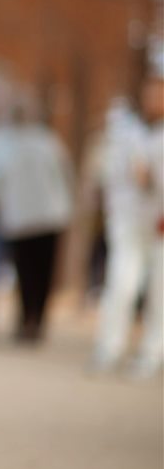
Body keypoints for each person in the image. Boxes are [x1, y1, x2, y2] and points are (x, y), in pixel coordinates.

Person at [0, 97, 74, 341]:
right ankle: (33, 320)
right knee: (39, 271)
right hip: (44, 216)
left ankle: (30, 320)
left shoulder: (3, 143)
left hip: (23, 217)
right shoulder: (46, 141)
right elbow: (65, 174)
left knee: (28, 272)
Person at [90, 74, 164, 377]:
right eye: (150, 94)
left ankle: (152, 353)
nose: (154, 100)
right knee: (121, 285)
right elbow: (113, 178)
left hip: (160, 227)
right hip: (129, 222)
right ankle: (110, 348)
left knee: (159, 293)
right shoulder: (128, 133)